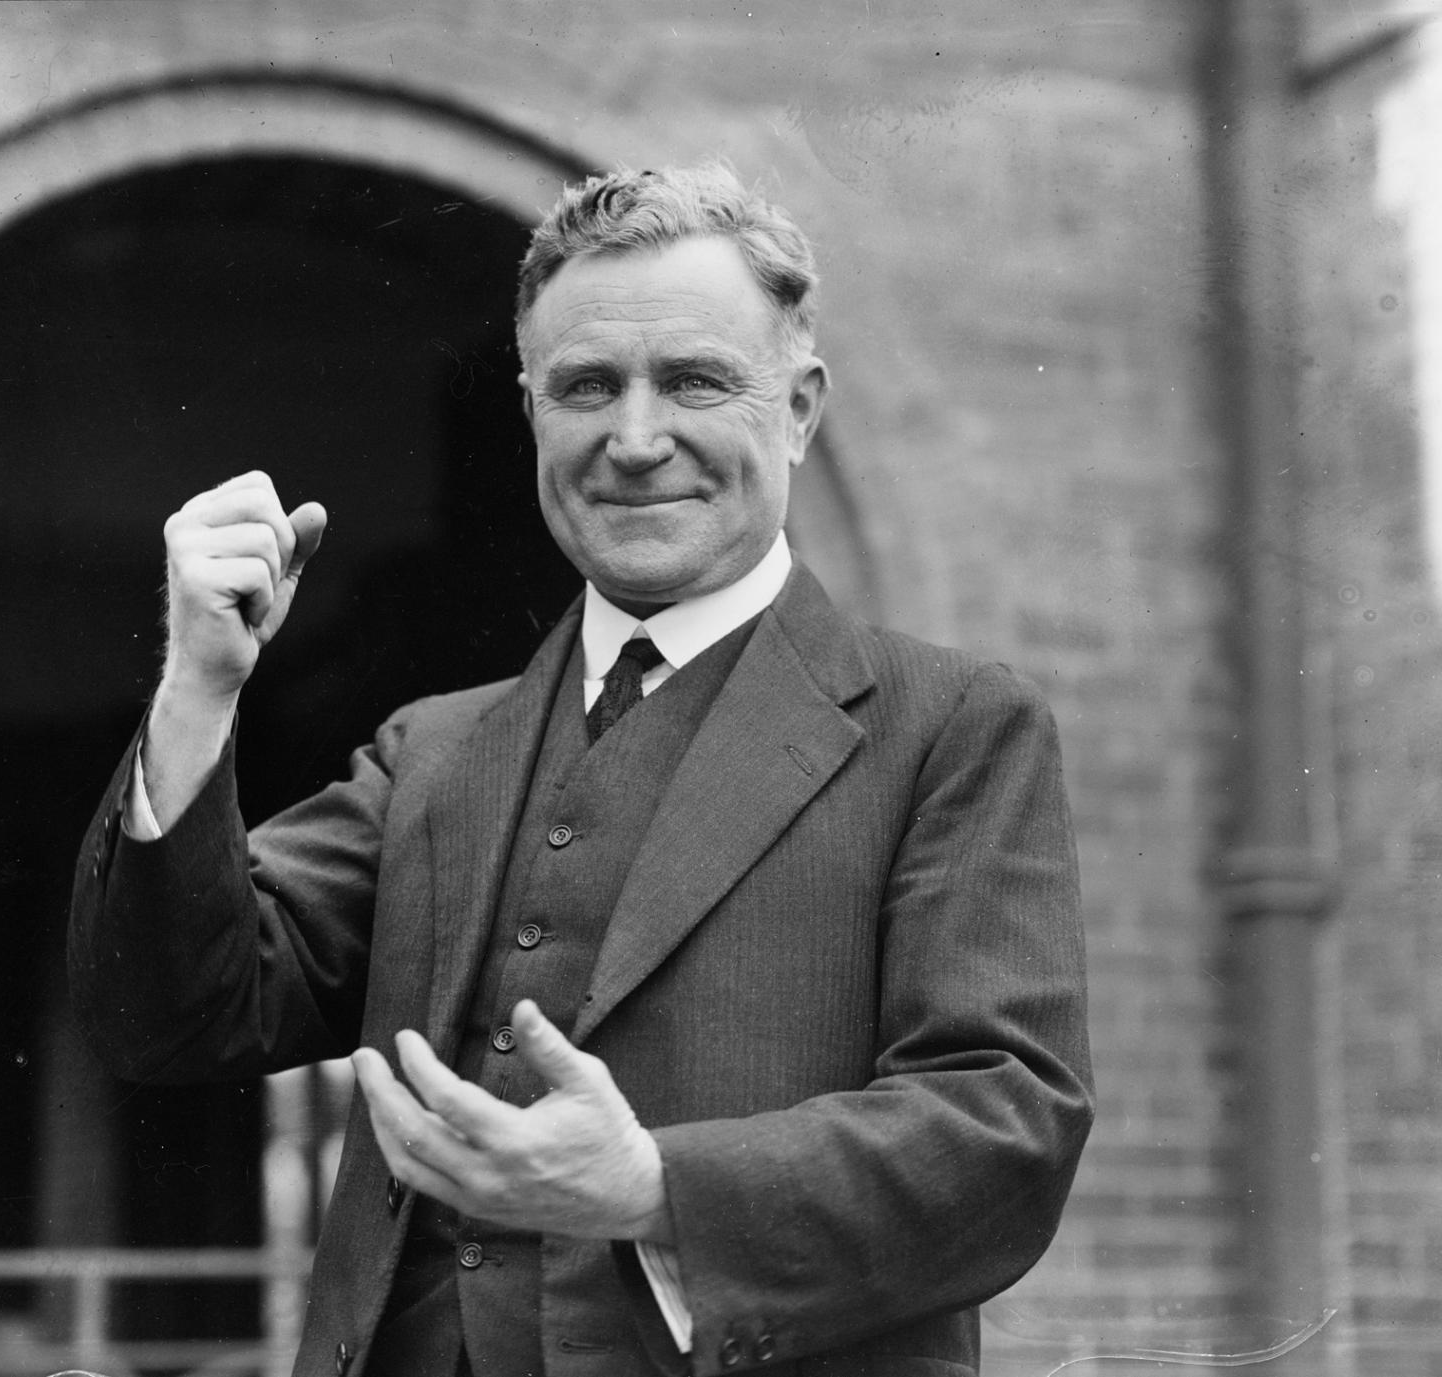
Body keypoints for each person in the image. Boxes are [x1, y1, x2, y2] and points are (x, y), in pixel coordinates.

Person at [70, 162, 1092, 1377]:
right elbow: (174, 1015)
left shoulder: (950, 730)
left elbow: (1003, 1128)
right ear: (531, 413)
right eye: (586, 388)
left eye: (697, 381)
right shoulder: (433, 751)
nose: (636, 438)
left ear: (801, 408)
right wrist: (200, 687)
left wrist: (657, 1190)